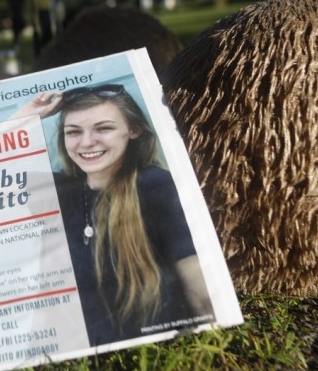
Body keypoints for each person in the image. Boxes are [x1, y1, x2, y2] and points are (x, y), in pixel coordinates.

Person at [13, 84, 214, 345]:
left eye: (104, 128)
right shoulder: (58, 191)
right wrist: (22, 119)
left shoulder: (155, 185)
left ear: (134, 130)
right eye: (73, 132)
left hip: (152, 352)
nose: (86, 142)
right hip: (74, 357)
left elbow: (197, 281)